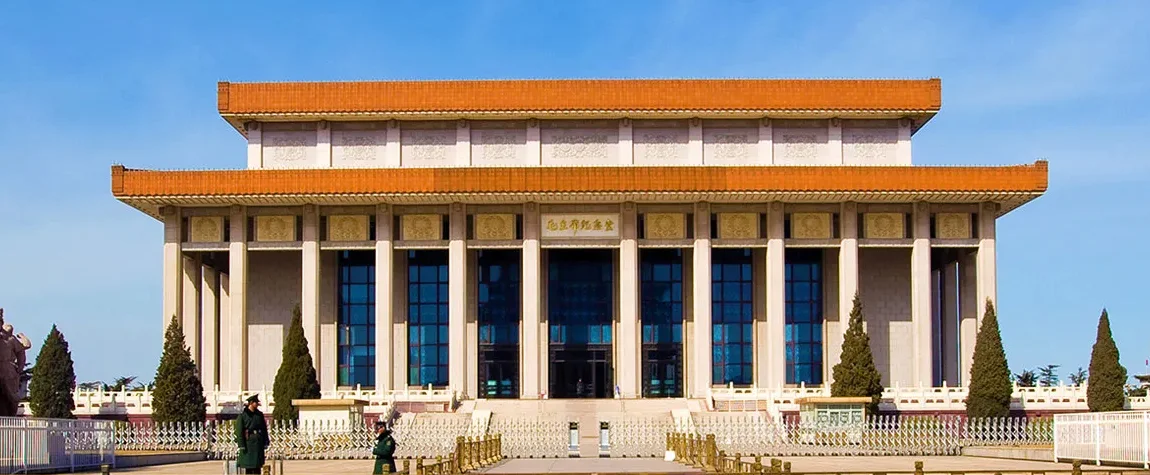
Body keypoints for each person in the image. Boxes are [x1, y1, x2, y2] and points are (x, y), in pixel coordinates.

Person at [234, 394, 269, 474]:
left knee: (257, 465)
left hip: (258, 443)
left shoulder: (259, 415)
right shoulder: (243, 416)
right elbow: (239, 431)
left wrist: (265, 441)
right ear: (251, 403)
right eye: (256, 402)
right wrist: (241, 444)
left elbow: (264, 429)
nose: (257, 404)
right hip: (248, 443)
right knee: (249, 466)